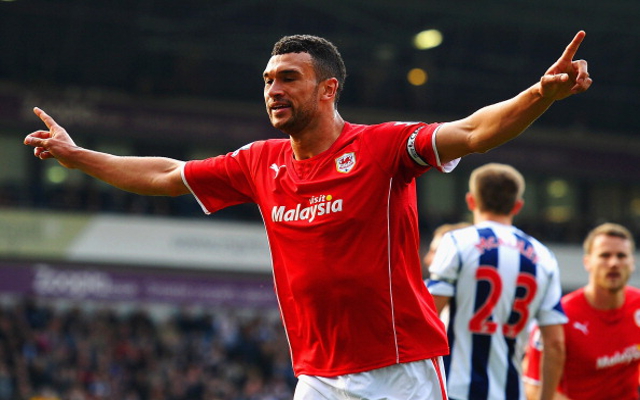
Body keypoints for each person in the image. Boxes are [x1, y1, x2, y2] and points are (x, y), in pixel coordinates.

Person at [23, 31, 591, 399]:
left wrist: (540, 93)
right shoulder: (257, 162)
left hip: (401, 369)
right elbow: (167, 175)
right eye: (268, 80)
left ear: (327, 90)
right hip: (317, 375)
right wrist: (77, 157)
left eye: (288, 78)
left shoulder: (382, 147)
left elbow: (472, 131)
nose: (273, 88)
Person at [426, 163, 567, 400]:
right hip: (510, 391)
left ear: (471, 201)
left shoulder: (457, 242)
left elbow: (428, 316)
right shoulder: (543, 256)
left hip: (453, 389)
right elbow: (555, 345)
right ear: (517, 206)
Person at [523, 223, 640, 400]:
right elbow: (533, 389)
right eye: (605, 255)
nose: (614, 263)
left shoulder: (637, 304)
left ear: (632, 263)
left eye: (621, 256)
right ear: (587, 262)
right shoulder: (558, 317)